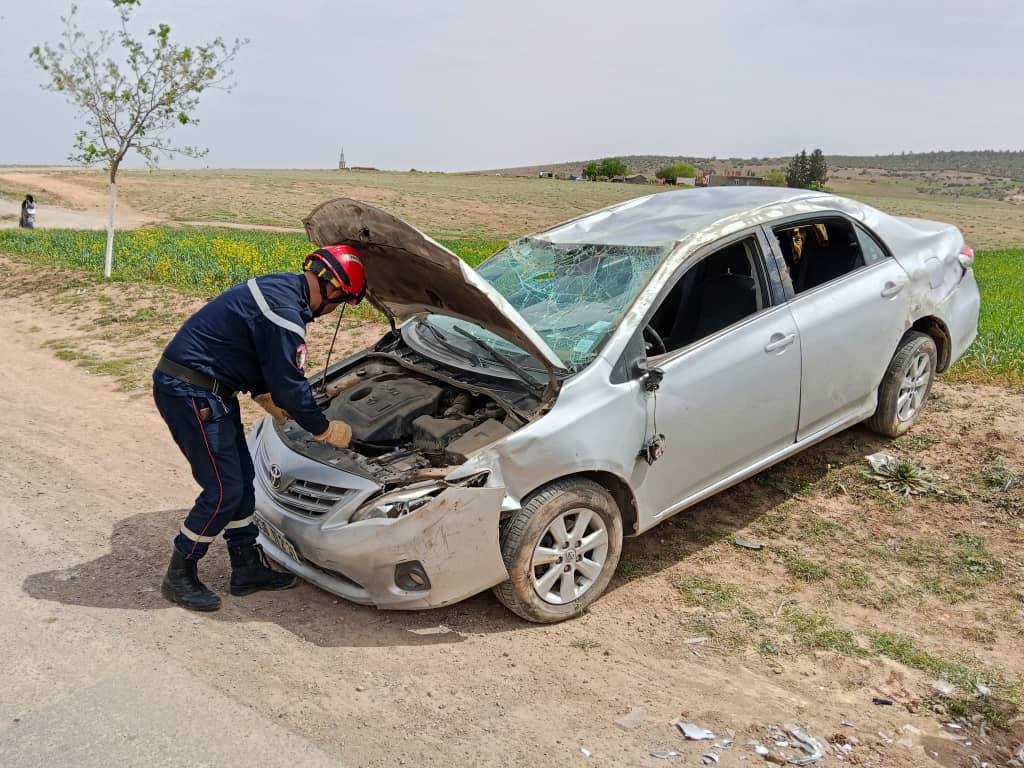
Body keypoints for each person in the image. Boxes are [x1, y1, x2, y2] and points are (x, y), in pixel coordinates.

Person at [153, 245, 367, 611]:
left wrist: (261, 391)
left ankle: (246, 566)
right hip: (191, 393)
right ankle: (180, 572)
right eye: (342, 303)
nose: (335, 311)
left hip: (210, 389)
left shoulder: (281, 288)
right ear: (333, 290)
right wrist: (323, 429)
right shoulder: (285, 315)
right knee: (223, 489)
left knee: (241, 478)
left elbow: (249, 346)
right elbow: (290, 385)